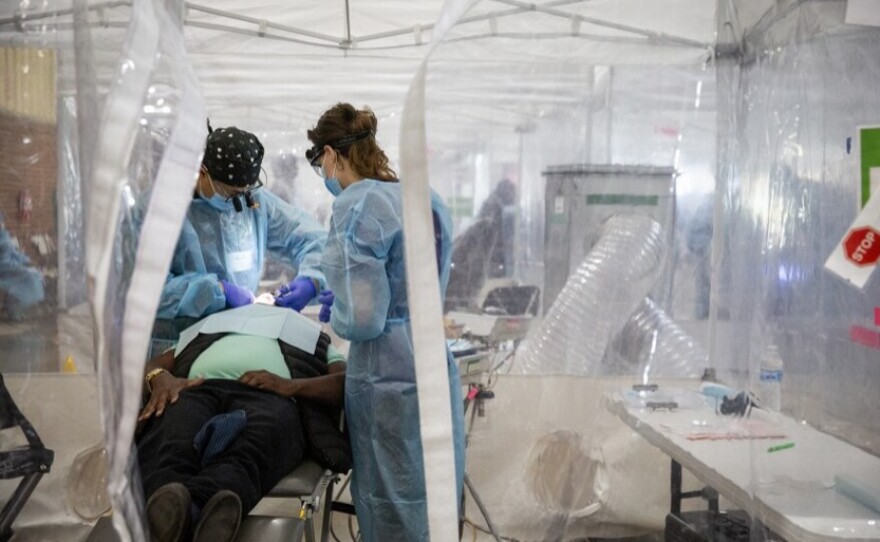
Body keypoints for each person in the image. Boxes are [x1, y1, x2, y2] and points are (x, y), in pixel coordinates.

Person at [306, 103, 466, 541]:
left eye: (320, 162)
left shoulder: (358, 205)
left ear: (331, 155)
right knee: (433, 492)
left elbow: (362, 318)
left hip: (387, 376)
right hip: (432, 359)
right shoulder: (423, 196)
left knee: (393, 498)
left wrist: (336, 305)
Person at [136, 306, 348, 542]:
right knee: (171, 440)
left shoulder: (308, 334)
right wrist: (158, 377)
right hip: (194, 390)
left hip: (272, 395)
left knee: (253, 447)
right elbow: (155, 364)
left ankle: (191, 511)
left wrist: (291, 386)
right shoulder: (209, 329)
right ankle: (179, 513)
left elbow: (344, 384)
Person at [158, 125, 327, 322]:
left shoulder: (253, 200)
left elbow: (311, 237)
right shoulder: (165, 210)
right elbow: (147, 291)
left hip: (238, 329)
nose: (239, 202)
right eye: (232, 194)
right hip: (179, 343)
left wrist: (312, 280)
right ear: (202, 172)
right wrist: (216, 291)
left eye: (244, 192)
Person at [445, 178, 517, 312]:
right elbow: (479, 259)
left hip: (463, 270)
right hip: (464, 273)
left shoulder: (489, 213)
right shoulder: (492, 218)